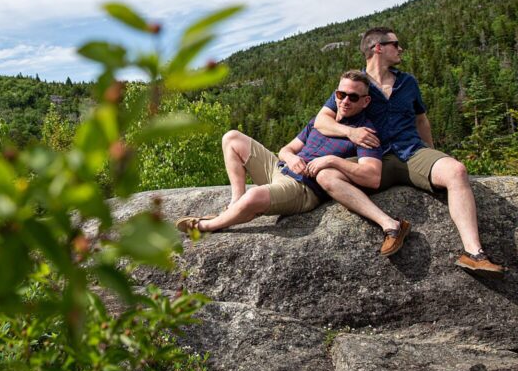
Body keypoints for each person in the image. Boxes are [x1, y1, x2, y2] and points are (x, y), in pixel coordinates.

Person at [313, 27, 504, 276]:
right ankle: (390, 226)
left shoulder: (408, 82)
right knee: (327, 175)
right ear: (378, 48)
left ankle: (474, 253)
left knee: (456, 170)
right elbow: (321, 122)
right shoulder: (356, 85)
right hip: (374, 158)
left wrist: (433, 157)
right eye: (396, 44)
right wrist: (351, 133)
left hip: (413, 152)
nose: (400, 49)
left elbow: (421, 121)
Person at [176, 71, 412, 256]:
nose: (345, 101)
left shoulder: (364, 132)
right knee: (231, 138)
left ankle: (209, 226)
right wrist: (292, 158)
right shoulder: (321, 122)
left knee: (254, 196)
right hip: (281, 170)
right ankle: (234, 202)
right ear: (335, 95)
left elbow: (371, 176)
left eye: (353, 97)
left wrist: (331, 161)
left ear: (365, 101)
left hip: (303, 188)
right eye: (341, 95)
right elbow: (285, 149)